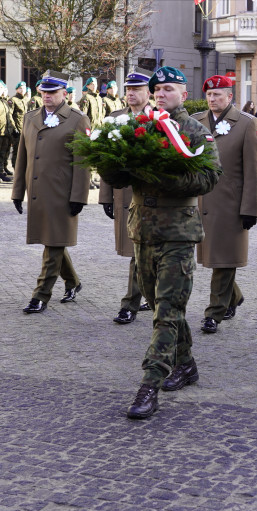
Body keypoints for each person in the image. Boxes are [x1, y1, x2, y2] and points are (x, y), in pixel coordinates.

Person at [125, 66, 221, 420]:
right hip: (144, 231)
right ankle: (187, 364)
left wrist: (167, 178)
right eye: (156, 89)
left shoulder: (196, 130)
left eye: (167, 88)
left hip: (178, 233)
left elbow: (210, 176)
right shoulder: (142, 126)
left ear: (183, 92)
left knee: (167, 310)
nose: (160, 93)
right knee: (160, 305)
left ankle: (149, 384)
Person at [12, 72, 91, 313]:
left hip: (62, 194)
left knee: (53, 244)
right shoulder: (30, 117)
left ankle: (41, 295)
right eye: (44, 92)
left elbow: (83, 162)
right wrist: (17, 191)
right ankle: (73, 282)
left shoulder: (78, 119)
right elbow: (21, 157)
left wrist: (79, 197)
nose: (47, 96)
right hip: (38, 192)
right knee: (53, 240)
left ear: (64, 94)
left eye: (53, 92)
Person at [192, 74, 257, 333]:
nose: (212, 99)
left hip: (230, 204)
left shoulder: (246, 124)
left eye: (218, 94)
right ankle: (233, 296)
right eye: (209, 95)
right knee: (213, 255)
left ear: (230, 97)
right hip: (200, 202)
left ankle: (214, 313)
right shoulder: (196, 121)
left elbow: (253, 171)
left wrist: (250, 209)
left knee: (223, 259)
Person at [103, 72, 153, 324]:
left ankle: (229, 295)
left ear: (149, 92)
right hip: (125, 196)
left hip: (154, 198)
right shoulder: (115, 119)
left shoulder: (161, 119)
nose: (131, 93)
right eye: (128, 89)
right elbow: (103, 160)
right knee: (137, 251)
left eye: (137, 88)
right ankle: (132, 303)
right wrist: (105, 197)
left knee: (148, 253)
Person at [9, 81, 29, 175]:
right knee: (17, 151)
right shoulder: (13, 100)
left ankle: (23, 170)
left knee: (25, 151)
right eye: (20, 88)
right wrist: (14, 128)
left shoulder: (25, 100)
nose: (22, 89)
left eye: (24, 88)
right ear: (17, 89)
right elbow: (9, 115)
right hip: (17, 129)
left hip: (25, 129)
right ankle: (16, 170)